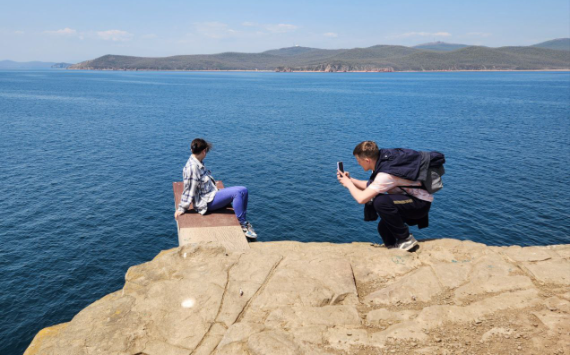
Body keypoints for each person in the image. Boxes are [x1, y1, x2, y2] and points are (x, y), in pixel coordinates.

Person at [337, 141, 432, 251]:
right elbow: (371, 186)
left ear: (367, 160)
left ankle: (406, 240)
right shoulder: (382, 164)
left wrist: (348, 184)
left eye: (359, 161)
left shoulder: (385, 174)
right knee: (383, 227)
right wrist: (350, 180)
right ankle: (394, 250)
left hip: (419, 204)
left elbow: (361, 198)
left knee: (380, 202)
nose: (358, 163)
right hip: (410, 200)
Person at [174, 138, 257, 239]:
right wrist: (182, 208)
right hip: (206, 203)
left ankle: (243, 221)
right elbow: (189, 190)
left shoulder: (197, 163)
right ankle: (242, 225)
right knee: (238, 193)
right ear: (204, 151)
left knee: (244, 190)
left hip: (211, 195)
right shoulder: (192, 168)